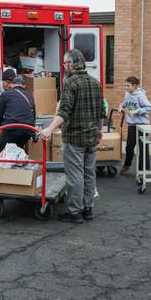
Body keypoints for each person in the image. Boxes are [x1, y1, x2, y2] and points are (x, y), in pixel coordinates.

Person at [38, 49, 106, 224]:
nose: (63, 66)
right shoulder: (95, 82)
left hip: (75, 138)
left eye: (64, 63)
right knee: (89, 174)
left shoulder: (70, 83)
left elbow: (64, 111)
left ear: (71, 65)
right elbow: (101, 111)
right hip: (91, 137)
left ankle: (75, 212)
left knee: (75, 175)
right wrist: (99, 131)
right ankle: (87, 208)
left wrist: (49, 130)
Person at [119, 76, 151, 175]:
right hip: (132, 125)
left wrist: (135, 112)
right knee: (129, 146)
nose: (126, 87)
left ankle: (143, 171)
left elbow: (149, 108)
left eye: (128, 85)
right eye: (125, 85)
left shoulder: (141, 95)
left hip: (143, 125)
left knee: (143, 148)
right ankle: (127, 164)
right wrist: (121, 107)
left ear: (134, 85)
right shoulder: (127, 93)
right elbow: (124, 103)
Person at [0, 75, 36, 149]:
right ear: (24, 85)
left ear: (12, 84)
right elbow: (33, 115)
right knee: (19, 148)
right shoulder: (29, 96)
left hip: (11, 128)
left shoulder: (5, 94)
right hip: (27, 130)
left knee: (3, 151)